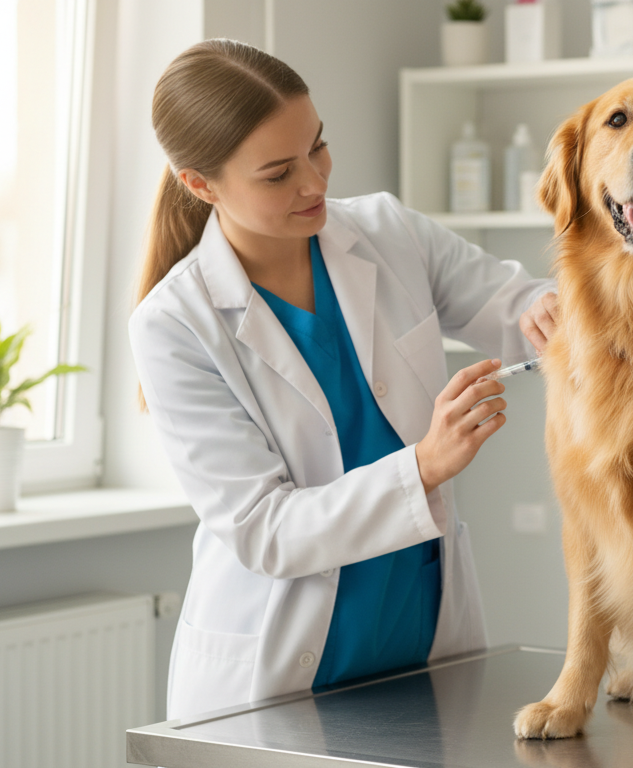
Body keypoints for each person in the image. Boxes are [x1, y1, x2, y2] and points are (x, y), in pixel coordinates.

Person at [129, 40, 556, 719]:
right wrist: (423, 465)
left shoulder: (386, 231)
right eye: (277, 174)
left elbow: (516, 307)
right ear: (200, 185)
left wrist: (554, 310)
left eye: (318, 148)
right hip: (276, 677)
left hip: (420, 645)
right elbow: (264, 529)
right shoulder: (174, 325)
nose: (315, 183)